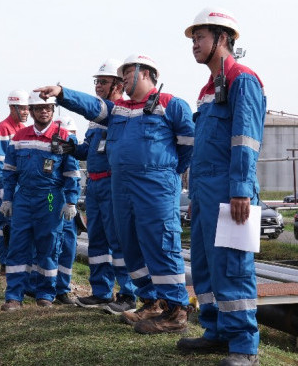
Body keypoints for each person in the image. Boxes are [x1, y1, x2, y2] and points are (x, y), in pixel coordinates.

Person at [35, 53, 194, 334]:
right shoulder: (119, 110)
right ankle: (151, 300)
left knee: (161, 244)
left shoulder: (171, 105)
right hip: (121, 187)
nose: (123, 81)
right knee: (130, 245)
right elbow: (92, 106)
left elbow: (189, 146)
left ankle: (176, 310)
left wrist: (165, 171)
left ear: (145, 73)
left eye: (127, 75)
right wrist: (62, 94)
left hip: (155, 187)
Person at [176, 7, 266, 366]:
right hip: (205, 191)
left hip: (232, 190)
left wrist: (241, 188)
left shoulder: (243, 79)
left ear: (223, 38)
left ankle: (244, 345)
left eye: (199, 37)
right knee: (205, 266)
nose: (194, 44)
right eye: (193, 38)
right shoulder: (207, 89)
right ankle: (216, 332)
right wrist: (196, 195)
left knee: (233, 266)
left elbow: (246, 139)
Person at [0, 94, 81, 310]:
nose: (44, 112)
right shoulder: (19, 137)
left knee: (49, 245)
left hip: (52, 197)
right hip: (24, 197)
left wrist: (71, 201)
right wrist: (7, 199)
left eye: (48, 108)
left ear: (53, 111)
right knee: (17, 246)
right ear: (32, 111)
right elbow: (9, 171)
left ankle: (46, 294)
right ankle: (13, 297)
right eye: (39, 108)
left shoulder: (64, 137)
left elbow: (72, 172)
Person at [71, 59, 137, 313]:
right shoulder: (95, 119)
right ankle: (101, 291)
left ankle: (128, 294)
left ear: (118, 85)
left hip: (112, 183)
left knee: (119, 240)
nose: (98, 85)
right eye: (96, 81)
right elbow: (90, 150)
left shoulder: (119, 111)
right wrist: (73, 149)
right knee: (96, 240)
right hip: (95, 186)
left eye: (103, 82)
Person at [0, 90, 30, 274]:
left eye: (27, 108)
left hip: (20, 186)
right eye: (22, 108)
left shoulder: (22, 129)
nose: (26, 112)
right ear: (12, 107)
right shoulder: (3, 129)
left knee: (18, 225)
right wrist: (5, 191)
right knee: (5, 225)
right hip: (7, 186)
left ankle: (16, 260)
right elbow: (0, 164)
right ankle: (5, 261)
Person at [52, 114, 80, 305]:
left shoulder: (67, 142)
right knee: (52, 242)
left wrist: (71, 201)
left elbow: (73, 174)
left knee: (65, 244)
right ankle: (54, 287)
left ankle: (59, 288)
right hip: (53, 196)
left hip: (60, 198)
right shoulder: (62, 141)